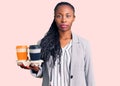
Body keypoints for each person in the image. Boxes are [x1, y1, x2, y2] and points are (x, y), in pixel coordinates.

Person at [17, 1, 95, 86]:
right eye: (59, 16)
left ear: (73, 18)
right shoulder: (44, 43)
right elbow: (42, 73)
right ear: (54, 18)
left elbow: (89, 74)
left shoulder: (84, 44)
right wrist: (35, 68)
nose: (63, 20)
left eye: (68, 16)